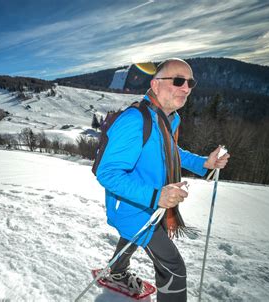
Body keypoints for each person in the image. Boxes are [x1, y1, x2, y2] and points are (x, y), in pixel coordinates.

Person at [95, 58, 230, 301]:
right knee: (174, 268)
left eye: (190, 82)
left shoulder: (168, 118)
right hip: (132, 206)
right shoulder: (135, 120)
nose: (186, 88)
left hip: (150, 204)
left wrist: (203, 164)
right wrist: (156, 195)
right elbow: (108, 173)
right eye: (178, 81)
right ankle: (117, 271)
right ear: (155, 85)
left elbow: (170, 152)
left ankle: (116, 271)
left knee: (132, 238)